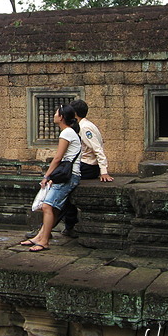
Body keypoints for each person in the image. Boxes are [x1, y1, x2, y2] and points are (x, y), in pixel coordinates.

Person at [20, 104, 82, 252]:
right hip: (71, 175)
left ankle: (45, 241)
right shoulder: (70, 132)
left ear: (61, 117)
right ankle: (40, 236)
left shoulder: (66, 133)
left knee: (47, 206)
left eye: (56, 113)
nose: (54, 115)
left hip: (69, 176)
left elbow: (58, 158)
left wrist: (46, 176)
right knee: (52, 208)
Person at [54, 99, 113, 238]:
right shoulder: (82, 125)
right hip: (84, 164)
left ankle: (60, 225)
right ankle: (65, 224)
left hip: (87, 166)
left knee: (62, 187)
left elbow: (97, 149)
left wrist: (103, 171)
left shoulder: (85, 127)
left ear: (74, 114)